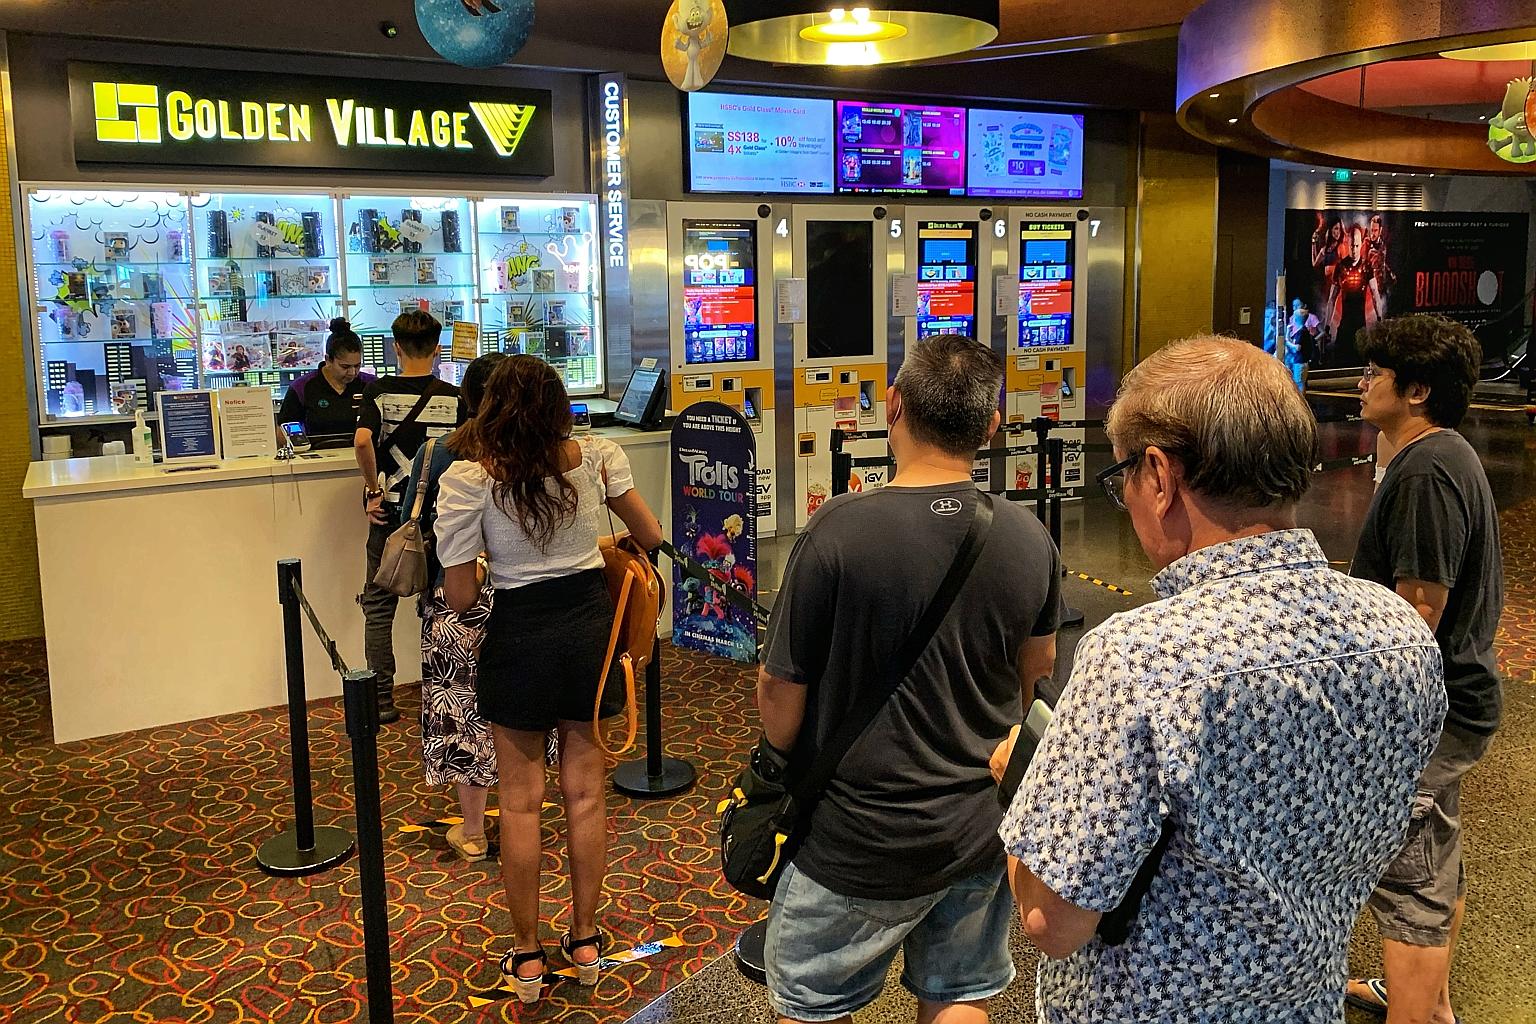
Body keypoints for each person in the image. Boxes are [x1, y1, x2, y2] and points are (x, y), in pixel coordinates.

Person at [994, 337, 1446, 1023]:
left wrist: (1021, 787)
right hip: (1303, 1003)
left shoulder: (1139, 658)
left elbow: (1050, 922)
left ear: (1159, 473)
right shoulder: (1402, 634)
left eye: (1123, 480)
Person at [756, 335, 1062, 1024]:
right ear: (991, 424)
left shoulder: (837, 530)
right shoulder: (1026, 536)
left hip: (853, 834)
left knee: (810, 1002)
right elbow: (1037, 682)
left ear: (892, 407)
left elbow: (780, 691)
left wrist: (782, 760)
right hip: (975, 828)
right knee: (959, 994)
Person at [434, 356, 663, 1003]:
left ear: (491, 410)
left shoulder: (468, 479)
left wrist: (487, 560)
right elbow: (649, 533)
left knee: (522, 802)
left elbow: (458, 596)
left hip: (521, 638)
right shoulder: (596, 456)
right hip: (591, 631)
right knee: (586, 796)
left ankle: (529, 957)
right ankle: (587, 941)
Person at [1346, 315, 1504, 1024]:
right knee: (1437, 855)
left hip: (1430, 714)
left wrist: (1375, 713)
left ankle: (1421, 1015)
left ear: (1415, 390)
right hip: (1453, 702)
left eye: (1375, 373)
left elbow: (1420, 608)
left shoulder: (1429, 470)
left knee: (1409, 879)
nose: (1362, 382)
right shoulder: (1442, 456)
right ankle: (1427, 1000)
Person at [402, 352, 507, 862]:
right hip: (515, 595)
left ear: (464, 398)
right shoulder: (525, 452)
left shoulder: (437, 452)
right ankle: (522, 811)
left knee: (461, 713)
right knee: (516, 710)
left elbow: (411, 519)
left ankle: (472, 829)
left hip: (451, 598)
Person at [353, 310, 461, 724]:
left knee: (379, 606)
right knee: (441, 603)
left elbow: (363, 440)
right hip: (441, 516)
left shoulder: (377, 393)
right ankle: (440, 692)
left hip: (392, 517)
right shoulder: (454, 398)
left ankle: (381, 698)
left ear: (395, 347)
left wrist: (373, 490)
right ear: (437, 349)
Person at [276, 318, 374, 440]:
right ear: (328, 360)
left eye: (357, 366)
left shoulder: (372, 385)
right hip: (315, 456)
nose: (352, 372)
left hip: (361, 455)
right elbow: (282, 432)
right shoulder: (302, 387)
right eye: (345, 367)